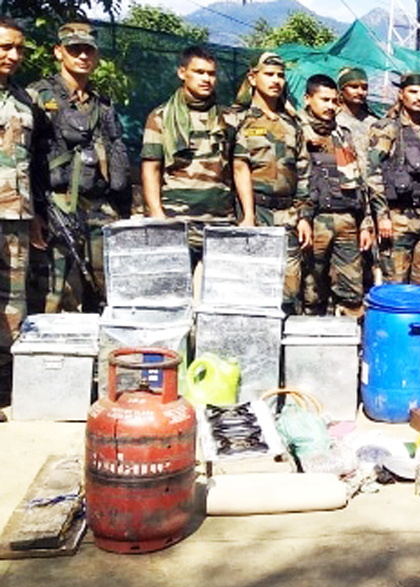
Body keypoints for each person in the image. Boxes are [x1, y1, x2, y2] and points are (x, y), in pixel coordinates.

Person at [28, 22, 129, 313]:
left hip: (99, 209)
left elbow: (117, 155)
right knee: (55, 294)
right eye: (75, 50)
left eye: (89, 50)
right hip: (57, 205)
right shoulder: (38, 96)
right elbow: (27, 156)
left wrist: (123, 213)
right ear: (59, 52)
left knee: (105, 290)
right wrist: (36, 210)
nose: (82, 56)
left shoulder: (103, 104)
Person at [143, 45, 248, 271]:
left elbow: (240, 167)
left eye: (211, 73)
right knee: (175, 294)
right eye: (199, 72)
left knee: (219, 296)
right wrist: (156, 213)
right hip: (176, 220)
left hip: (221, 221)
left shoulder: (229, 118)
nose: (206, 79)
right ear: (182, 73)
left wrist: (248, 215)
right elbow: (151, 168)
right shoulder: (160, 117)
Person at [231, 52, 311, 315]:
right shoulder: (236, 119)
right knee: (252, 287)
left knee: (289, 292)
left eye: (280, 75)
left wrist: (303, 216)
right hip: (254, 213)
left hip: (287, 215)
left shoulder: (292, 124)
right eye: (269, 74)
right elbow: (235, 167)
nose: (276, 80)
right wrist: (248, 216)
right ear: (253, 78)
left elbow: (303, 171)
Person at [366, 72, 420, 287]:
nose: (419, 97)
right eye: (413, 92)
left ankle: (417, 322)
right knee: (395, 284)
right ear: (401, 94)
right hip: (398, 219)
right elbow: (373, 174)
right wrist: (382, 215)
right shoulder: (386, 128)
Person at [0, 18, 47, 404]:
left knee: (14, 302)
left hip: (17, 215)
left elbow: (31, 161)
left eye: (18, 49)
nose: (13, 56)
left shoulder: (24, 99)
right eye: (5, 48)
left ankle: (7, 387)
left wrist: (35, 216)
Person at [299, 74, 372, 316]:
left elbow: (355, 178)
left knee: (352, 291)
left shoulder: (343, 134)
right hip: (315, 220)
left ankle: (349, 343)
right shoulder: (298, 131)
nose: (330, 106)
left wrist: (364, 222)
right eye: (324, 100)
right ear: (308, 99)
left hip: (347, 220)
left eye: (334, 101)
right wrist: (303, 218)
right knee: (312, 289)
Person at [334, 66, 382, 288]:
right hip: (340, 200)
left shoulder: (374, 124)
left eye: (364, 87)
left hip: (370, 199)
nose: (360, 92)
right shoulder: (333, 121)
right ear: (341, 90)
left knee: (369, 262)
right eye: (353, 87)